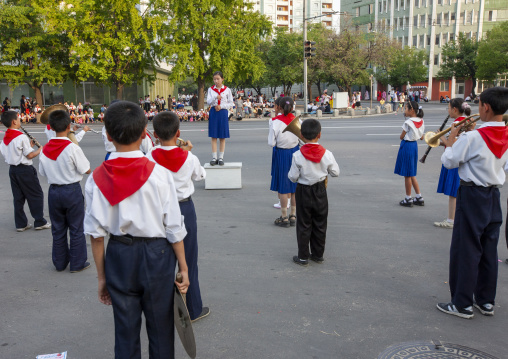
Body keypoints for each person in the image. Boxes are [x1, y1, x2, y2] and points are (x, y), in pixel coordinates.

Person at [84, 101, 190, 358]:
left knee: (125, 331)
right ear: (145, 132)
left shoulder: (96, 179)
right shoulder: (160, 175)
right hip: (157, 256)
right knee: (161, 329)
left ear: (108, 135)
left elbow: (96, 237)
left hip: (119, 255)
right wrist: (184, 267)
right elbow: (173, 228)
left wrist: (102, 277)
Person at [437, 86, 508, 319]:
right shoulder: (504, 136)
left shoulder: (472, 137)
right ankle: (486, 301)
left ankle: (462, 303)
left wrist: (451, 140)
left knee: (466, 248)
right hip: (493, 196)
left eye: (479, 104)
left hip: (472, 195)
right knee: (489, 249)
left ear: (485, 107)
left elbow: (449, 161)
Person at [146, 111, 209, 322]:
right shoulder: (189, 157)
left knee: (161, 260)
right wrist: (187, 152)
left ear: (155, 135)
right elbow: (200, 175)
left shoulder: (149, 156)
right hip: (183, 208)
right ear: (178, 133)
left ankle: (161, 311)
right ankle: (192, 308)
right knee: (188, 259)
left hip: (157, 211)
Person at [39, 110, 91, 272]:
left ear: (52, 127)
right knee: (76, 228)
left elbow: (42, 172)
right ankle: (77, 263)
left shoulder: (45, 149)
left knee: (58, 228)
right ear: (69, 126)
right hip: (71, 190)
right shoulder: (72, 148)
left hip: (54, 191)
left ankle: (60, 263)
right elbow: (86, 169)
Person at [288, 119, 339, 266]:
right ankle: (318, 255)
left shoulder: (297, 155)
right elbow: (336, 172)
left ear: (301, 135)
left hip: (303, 191)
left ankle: (303, 257)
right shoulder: (327, 154)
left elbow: (292, 177)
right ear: (320, 134)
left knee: (303, 224)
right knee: (320, 223)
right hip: (320, 190)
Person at [0, 111, 51, 232]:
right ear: (14, 122)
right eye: (18, 119)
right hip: (25, 170)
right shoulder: (21, 136)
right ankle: (39, 221)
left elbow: (16, 153)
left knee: (18, 197)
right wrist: (40, 149)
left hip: (13, 170)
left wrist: (29, 146)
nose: (20, 121)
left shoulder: (4, 140)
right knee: (36, 194)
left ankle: (21, 223)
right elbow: (29, 155)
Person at [434, 99, 472, 229]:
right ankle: (457, 218)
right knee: (458, 191)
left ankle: (451, 220)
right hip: (462, 159)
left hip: (454, 159)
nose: (448, 110)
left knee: (453, 192)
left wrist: (441, 136)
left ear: (455, 109)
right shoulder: (466, 120)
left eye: (449, 108)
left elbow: (452, 143)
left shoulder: (457, 123)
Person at [268, 97, 299, 227]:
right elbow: (302, 140)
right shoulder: (298, 121)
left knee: (283, 185)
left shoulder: (274, 122)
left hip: (281, 153)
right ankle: (293, 214)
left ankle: (284, 216)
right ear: (293, 107)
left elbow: (271, 143)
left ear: (278, 107)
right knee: (293, 186)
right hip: (295, 153)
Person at [394, 101, 425, 207]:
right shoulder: (421, 121)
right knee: (411, 173)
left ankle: (408, 198)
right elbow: (421, 137)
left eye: (406, 108)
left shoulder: (408, 122)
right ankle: (419, 196)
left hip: (407, 146)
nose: (404, 110)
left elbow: (401, 136)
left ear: (411, 110)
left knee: (407, 175)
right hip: (414, 146)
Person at [207, 71, 234, 166]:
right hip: (214, 111)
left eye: (218, 79)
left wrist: (221, 106)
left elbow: (231, 103)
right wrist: (215, 97)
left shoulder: (227, 90)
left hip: (222, 112)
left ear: (222, 79)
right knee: (214, 135)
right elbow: (208, 102)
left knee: (222, 136)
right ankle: (214, 157)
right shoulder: (211, 90)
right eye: (214, 79)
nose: (216, 81)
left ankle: (221, 157)